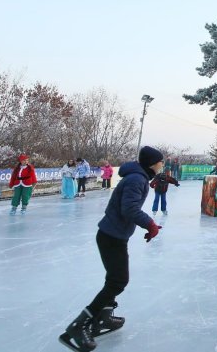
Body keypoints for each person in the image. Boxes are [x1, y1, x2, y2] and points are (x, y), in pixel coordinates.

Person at [59, 146, 165, 352]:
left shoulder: (137, 176)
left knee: (114, 279)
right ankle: (79, 326)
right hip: (111, 237)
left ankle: (104, 316)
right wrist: (150, 224)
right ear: (152, 163)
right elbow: (129, 208)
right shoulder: (137, 179)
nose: (163, 164)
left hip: (113, 234)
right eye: (161, 161)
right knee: (118, 281)